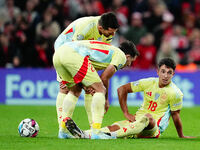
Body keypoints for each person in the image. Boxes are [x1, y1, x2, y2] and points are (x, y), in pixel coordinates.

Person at [65, 58, 195, 139]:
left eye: (169, 72)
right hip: (136, 122)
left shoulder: (176, 93)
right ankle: (83, 134)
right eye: (163, 71)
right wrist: (126, 113)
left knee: (148, 117)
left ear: (173, 74)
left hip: (153, 128)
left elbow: (176, 116)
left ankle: (110, 137)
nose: (166, 75)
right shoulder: (149, 82)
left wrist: (181, 135)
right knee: (113, 126)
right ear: (157, 71)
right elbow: (122, 89)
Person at [53, 40, 139, 139]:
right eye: (131, 61)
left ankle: (63, 131)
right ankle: (96, 132)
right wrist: (106, 99)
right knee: (100, 90)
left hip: (59, 53)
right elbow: (104, 77)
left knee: (75, 90)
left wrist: (87, 86)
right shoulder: (121, 56)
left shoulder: (104, 53)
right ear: (127, 57)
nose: (129, 65)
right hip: (73, 55)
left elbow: (86, 74)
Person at [54, 12, 119, 138]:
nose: (113, 35)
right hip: (64, 50)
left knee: (91, 89)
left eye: (114, 32)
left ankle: (92, 128)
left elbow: (95, 53)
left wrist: (87, 80)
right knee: (66, 88)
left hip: (84, 55)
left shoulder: (107, 34)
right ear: (101, 28)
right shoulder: (86, 26)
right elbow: (73, 49)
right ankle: (62, 127)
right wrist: (82, 80)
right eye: (111, 32)